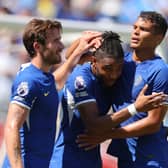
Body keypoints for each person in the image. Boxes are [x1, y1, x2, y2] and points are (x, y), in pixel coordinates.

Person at [49, 31, 166, 168]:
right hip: (67, 160)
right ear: (93, 61)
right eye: (108, 69)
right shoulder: (81, 80)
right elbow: (94, 126)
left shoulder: (108, 79)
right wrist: (135, 108)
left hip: (92, 160)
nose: (114, 75)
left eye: (119, 69)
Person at [3, 18, 102, 168]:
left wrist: (80, 49)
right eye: (55, 41)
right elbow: (12, 127)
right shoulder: (28, 81)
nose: (61, 46)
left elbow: (54, 82)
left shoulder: (43, 78)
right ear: (37, 46)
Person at [77, 11, 168, 168]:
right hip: (125, 155)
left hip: (150, 158)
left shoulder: (160, 71)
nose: (136, 32)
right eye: (135, 27)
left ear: (158, 38)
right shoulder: (119, 63)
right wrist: (86, 41)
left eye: (144, 29)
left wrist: (105, 135)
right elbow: (73, 59)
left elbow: (153, 122)